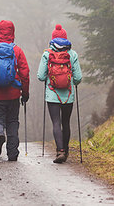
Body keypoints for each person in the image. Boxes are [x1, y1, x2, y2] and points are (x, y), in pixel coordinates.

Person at [0, 20, 30, 162]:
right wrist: (25, 93)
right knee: (13, 122)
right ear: (12, 33)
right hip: (14, 94)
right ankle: (12, 153)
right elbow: (25, 73)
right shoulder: (17, 50)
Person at [37, 24, 82, 163]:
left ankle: (60, 151)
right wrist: (71, 81)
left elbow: (40, 76)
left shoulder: (47, 54)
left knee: (56, 122)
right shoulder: (72, 54)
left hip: (52, 94)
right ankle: (66, 151)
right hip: (68, 95)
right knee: (65, 122)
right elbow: (78, 78)